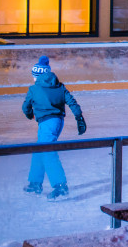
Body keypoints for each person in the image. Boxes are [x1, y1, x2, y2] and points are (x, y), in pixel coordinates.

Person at [22, 56, 86, 200]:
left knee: (48, 152)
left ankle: (60, 186)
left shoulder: (34, 89)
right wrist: (79, 118)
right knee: (40, 150)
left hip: (47, 124)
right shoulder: (60, 86)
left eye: (34, 76)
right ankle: (35, 182)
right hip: (58, 122)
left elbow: (25, 107)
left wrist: (30, 114)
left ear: (37, 75)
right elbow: (72, 102)